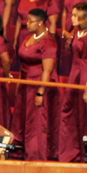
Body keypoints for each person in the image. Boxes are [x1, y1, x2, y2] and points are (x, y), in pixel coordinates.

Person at [57, 2, 87, 163]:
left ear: (84, 18)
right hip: (75, 74)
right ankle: (70, 151)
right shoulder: (77, 32)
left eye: (75, 15)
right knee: (69, 112)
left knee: (86, 117)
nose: (72, 18)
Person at [16, 9, 56, 161]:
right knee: (24, 118)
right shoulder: (29, 37)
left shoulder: (48, 42)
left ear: (40, 22)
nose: (27, 23)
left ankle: (36, 155)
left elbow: (48, 69)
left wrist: (41, 92)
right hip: (25, 82)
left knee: (37, 121)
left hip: (38, 83)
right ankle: (22, 150)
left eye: (31, 20)